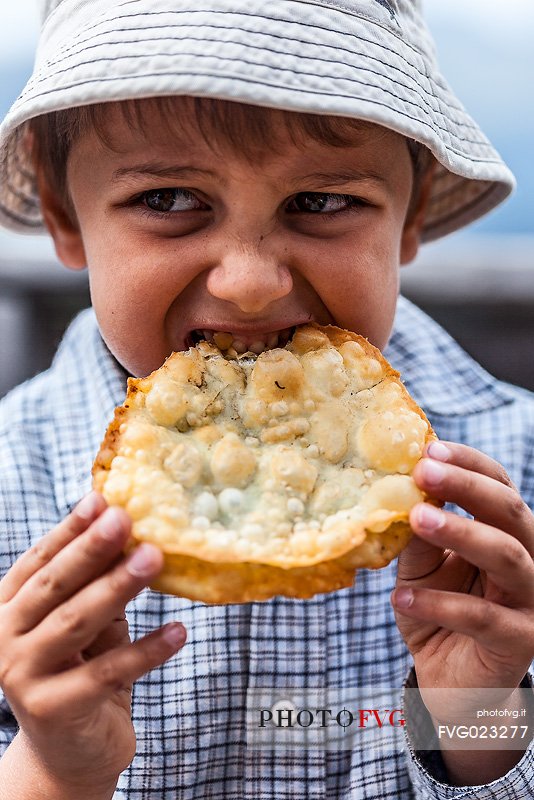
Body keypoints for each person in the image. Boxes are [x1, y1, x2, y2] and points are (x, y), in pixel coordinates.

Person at [0, 0, 532, 797]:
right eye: (170, 200)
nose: (248, 285)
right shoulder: (11, 484)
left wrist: (476, 716)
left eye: (318, 203)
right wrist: (53, 767)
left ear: (410, 213)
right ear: (61, 212)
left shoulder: (512, 487)